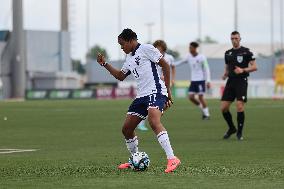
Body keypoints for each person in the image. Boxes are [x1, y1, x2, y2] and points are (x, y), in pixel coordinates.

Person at [96, 28, 181, 173]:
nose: (122, 47)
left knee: (154, 122)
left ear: (130, 40)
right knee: (127, 129)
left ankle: (172, 158)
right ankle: (135, 158)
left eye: (122, 44)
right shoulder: (129, 58)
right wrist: (105, 64)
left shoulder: (146, 48)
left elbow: (165, 65)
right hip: (142, 96)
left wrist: (168, 92)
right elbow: (120, 76)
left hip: (156, 91)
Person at [221, 31, 257, 140]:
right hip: (231, 81)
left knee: (239, 105)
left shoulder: (246, 52)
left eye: (236, 38)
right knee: (223, 108)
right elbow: (227, 66)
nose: (234, 40)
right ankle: (232, 128)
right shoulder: (228, 53)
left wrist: (243, 70)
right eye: (232, 38)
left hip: (242, 80)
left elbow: (255, 67)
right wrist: (225, 74)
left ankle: (239, 133)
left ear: (240, 39)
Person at [137, 40, 176, 131]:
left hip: (163, 84)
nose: (158, 53)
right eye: (157, 50)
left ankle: (151, 117)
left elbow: (172, 68)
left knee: (167, 103)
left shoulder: (169, 58)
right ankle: (143, 122)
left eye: (161, 51)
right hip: (153, 85)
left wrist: (172, 79)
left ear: (164, 51)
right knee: (154, 105)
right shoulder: (151, 58)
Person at [175, 42, 211, 120]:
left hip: (201, 80)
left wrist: (208, 81)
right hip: (193, 80)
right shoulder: (188, 56)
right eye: (189, 47)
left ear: (195, 48)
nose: (190, 49)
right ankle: (203, 110)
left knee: (201, 97)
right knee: (191, 97)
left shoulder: (202, 57)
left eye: (191, 48)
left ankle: (207, 114)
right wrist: (171, 64)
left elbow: (206, 68)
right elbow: (181, 62)